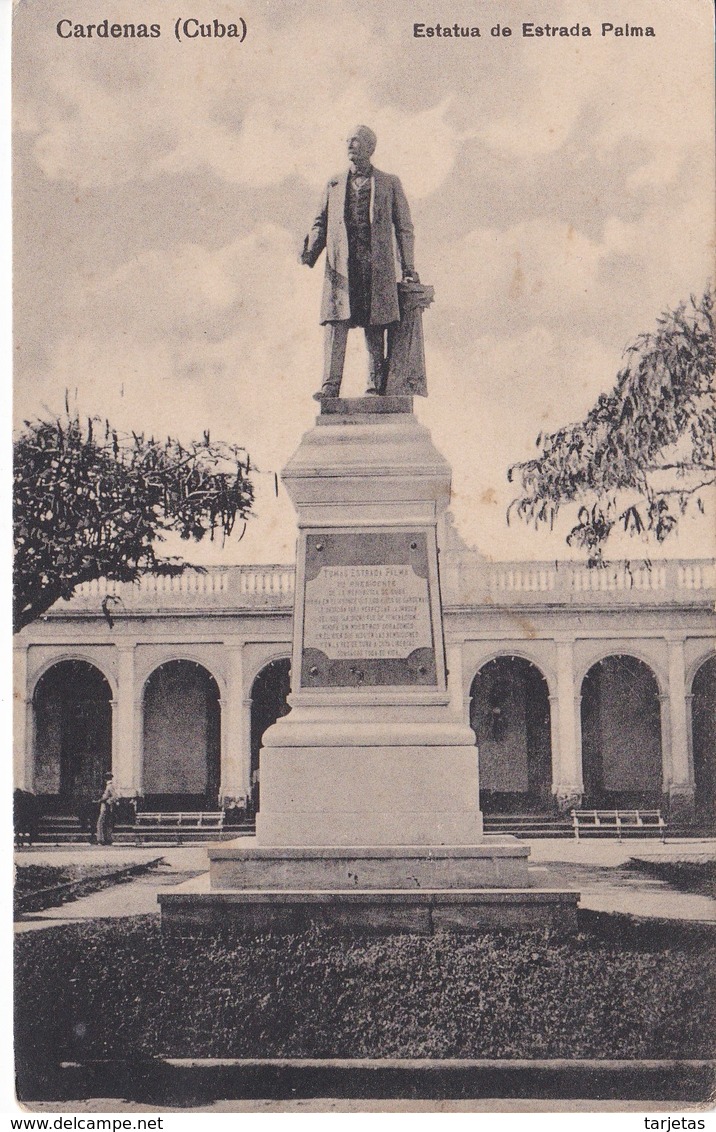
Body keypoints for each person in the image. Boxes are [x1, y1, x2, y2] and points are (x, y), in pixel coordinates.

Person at [300, 125, 419, 400]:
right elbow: (321, 222)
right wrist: (311, 252)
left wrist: (409, 267)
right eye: (348, 141)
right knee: (335, 322)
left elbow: (404, 228)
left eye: (355, 141)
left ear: (370, 148)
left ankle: (374, 386)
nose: (349, 145)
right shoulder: (333, 184)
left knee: (374, 323)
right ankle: (330, 385)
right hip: (342, 266)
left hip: (376, 266)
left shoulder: (389, 183)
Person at [96, 772, 119, 846]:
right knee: (105, 823)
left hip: (106, 807)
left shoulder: (110, 786)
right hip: (105, 806)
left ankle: (101, 839)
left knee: (100, 823)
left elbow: (115, 796)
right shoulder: (108, 786)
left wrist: (106, 801)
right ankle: (106, 838)